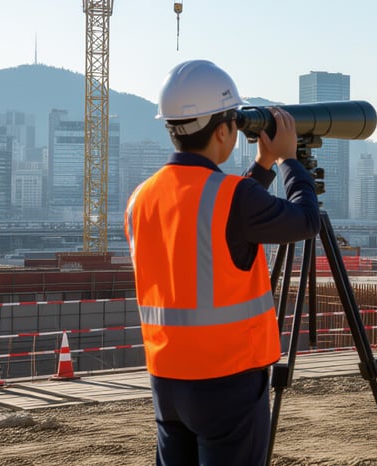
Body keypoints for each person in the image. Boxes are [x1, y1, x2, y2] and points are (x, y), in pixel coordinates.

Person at [124, 59, 322, 466]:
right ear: (221, 131)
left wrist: (262, 166)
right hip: (228, 380)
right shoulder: (233, 196)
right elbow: (306, 220)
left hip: (167, 379)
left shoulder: (140, 198)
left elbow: (214, 222)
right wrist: (288, 160)